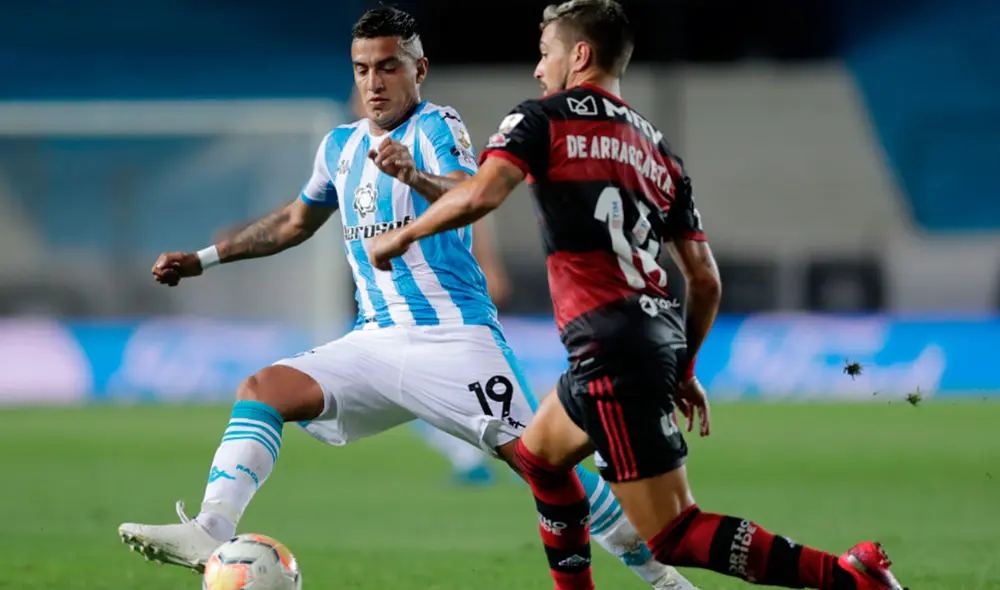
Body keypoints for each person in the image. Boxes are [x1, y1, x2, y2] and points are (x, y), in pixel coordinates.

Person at [117, 6, 699, 589]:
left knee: (541, 464)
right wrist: (204, 258)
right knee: (262, 389)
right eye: (362, 69)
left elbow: (473, 192)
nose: (374, 82)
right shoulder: (338, 147)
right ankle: (212, 528)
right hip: (374, 342)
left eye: (389, 67)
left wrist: (412, 176)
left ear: (419, 69)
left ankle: (666, 580)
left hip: (454, 340)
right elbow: (294, 222)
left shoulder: (437, 127)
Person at [368, 2, 908, 590]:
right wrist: (685, 364)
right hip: (645, 335)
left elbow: (479, 196)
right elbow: (705, 279)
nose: (536, 68)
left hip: (608, 346)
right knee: (539, 459)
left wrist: (404, 233)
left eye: (545, 52)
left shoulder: (541, 120)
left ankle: (848, 577)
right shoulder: (657, 151)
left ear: (579, 55)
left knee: (675, 532)